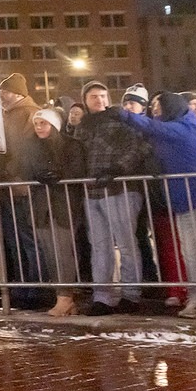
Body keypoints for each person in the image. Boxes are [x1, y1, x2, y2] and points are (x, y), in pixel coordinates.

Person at [116, 91, 196, 320]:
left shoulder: (183, 127)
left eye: (158, 106)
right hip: (180, 198)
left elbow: (152, 127)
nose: (154, 110)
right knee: (190, 253)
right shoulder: (165, 130)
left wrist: (124, 115)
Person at [76, 80, 154, 315]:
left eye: (103, 95)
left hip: (120, 188)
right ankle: (103, 296)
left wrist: (118, 169)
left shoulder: (121, 117)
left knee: (126, 243)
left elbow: (139, 146)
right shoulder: (83, 126)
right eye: (93, 96)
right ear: (85, 101)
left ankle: (131, 293)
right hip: (92, 191)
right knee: (99, 246)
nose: (99, 100)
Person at [16, 107, 86, 316]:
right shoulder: (30, 146)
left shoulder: (71, 145)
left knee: (63, 251)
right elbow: (23, 169)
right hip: (40, 206)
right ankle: (61, 296)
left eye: (43, 123)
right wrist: (36, 175)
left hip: (63, 204)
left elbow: (77, 170)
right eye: (36, 124)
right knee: (49, 253)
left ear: (54, 125)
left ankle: (66, 296)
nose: (39, 127)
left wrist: (58, 175)